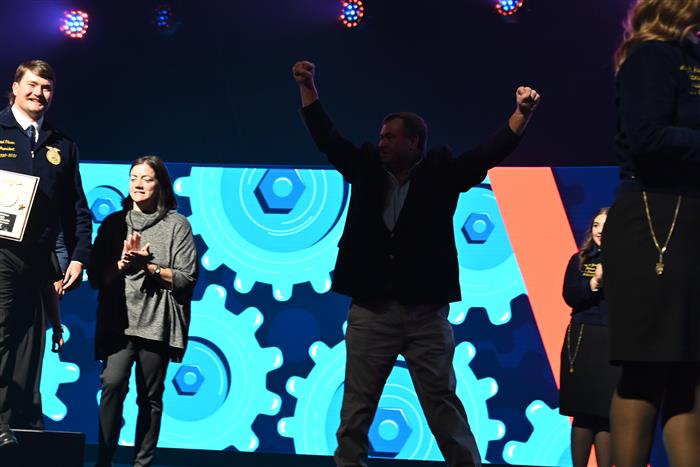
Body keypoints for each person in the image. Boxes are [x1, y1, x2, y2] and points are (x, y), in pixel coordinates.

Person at [292, 60, 540, 466]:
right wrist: (307, 86)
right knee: (356, 408)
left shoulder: (441, 172)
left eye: (390, 137)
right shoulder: (365, 166)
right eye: (381, 136)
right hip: (371, 311)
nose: (382, 143)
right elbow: (326, 137)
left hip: (425, 315)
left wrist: (521, 115)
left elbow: (488, 153)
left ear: (415, 142)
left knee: (442, 405)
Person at [603, 0, 700, 465]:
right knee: (646, 368)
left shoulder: (692, 57)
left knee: (689, 372)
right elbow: (648, 137)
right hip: (654, 218)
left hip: (692, 216)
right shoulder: (650, 56)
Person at [0, 60, 91, 447]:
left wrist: (78, 256)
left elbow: (76, 210)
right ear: (15, 88)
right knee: (1, 333)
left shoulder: (62, 145)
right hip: (1, 253)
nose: (39, 93)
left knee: (28, 343)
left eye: (47, 87)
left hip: (39, 259)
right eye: (33, 85)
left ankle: (20, 424)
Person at [90, 156, 198, 467]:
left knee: (149, 397)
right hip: (118, 324)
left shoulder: (177, 225)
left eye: (146, 178)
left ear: (160, 185)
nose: (138, 184)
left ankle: (142, 463)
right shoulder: (113, 223)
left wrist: (149, 267)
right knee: (112, 384)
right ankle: (103, 461)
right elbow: (97, 278)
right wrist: (124, 264)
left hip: (157, 323)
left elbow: (187, 279)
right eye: (133, 177)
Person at [559, 208, 619, 467]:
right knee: (582, 412)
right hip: (582, 339)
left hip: (613, 340)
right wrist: (594, 283)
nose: (600, 231)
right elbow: (570, 295)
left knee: (606, 413)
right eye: (596, 225)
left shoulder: (629, 261)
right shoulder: (580, 260)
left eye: (606, 225)